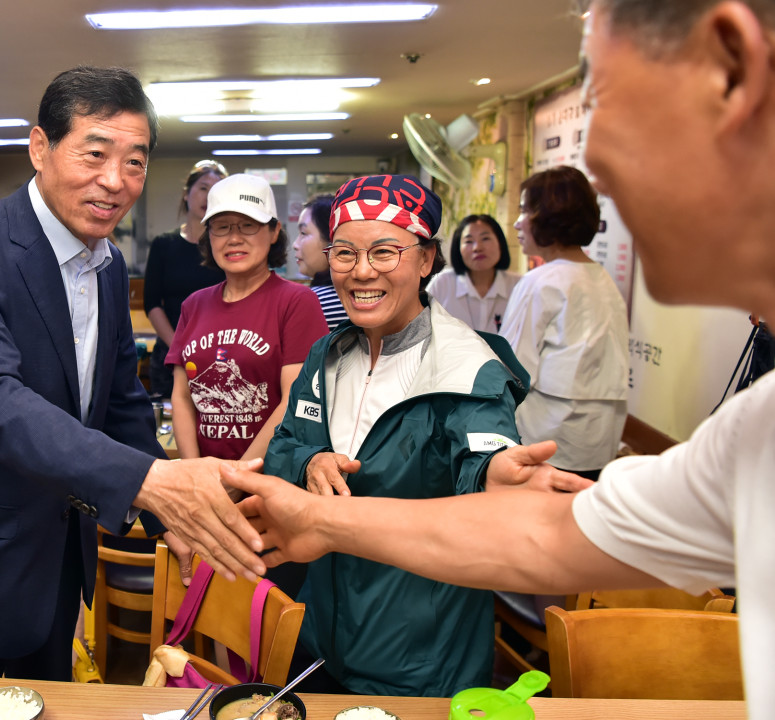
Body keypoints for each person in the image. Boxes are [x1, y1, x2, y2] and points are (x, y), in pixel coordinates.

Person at [223, 0, 775, 712]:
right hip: (328, 623)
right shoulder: (749, 435)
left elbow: (503, 492)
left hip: (417, 644)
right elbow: (542, 537)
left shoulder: (468, 362)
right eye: (344, 254)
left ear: (728, 69)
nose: (594, 167)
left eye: (602, 100)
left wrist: (478, 471)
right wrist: (311, 485)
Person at [0, 66, 266, 681]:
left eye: (135, 162)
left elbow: (119, 403)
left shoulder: (107, 266)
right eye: (95, 154)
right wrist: (150, 482)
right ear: (40, 148)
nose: (115, 181)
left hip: (54, 563)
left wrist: (172, 518)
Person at [265, 174, 537, 697]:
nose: (362, 271)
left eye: (385, 252)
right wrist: (310, 462)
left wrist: (496, 473)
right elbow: (282, 448)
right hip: (322, 640)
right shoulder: (328, 356)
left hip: (421, 663)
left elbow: (483, 461)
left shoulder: (467, 368)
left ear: (426, 259)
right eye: (344, 253)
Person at [166, 173, 327, 465]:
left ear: (274, 231)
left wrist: (238, 477)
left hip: (269, 482)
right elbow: (182, 397)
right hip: (204, 482)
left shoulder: (297, 302)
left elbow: (294, 400)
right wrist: (195, 473)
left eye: (248, 226)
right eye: (221, 227)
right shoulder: (194, 305)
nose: (234, 238)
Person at [499, 166, 628, 480]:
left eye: (525, 211)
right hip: (599, 436)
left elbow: (512, 367)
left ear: (549, 216)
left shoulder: (540, 282)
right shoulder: (602, 279)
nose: (517, 222)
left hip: (544, 434)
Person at [143, 160, 227, 398]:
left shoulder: (225, 247)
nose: (208, 196)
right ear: (186, 195)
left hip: (219, 356)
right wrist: (178, 347)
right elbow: (152, 303)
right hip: (170, 354)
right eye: (203, 188)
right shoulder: (163, 244)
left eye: (216, 190)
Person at [425, 214, 520, 334]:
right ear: (458, 248)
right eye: (469, 241)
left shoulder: (518, 285)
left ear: (500, 243)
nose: (477, 248)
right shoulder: (443, 283)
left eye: (485, 238)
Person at [292, 194, 347, 330]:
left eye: (303, 233)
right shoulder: (355, 297)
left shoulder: (312, 302)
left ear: (332, 240)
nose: (295, 244)